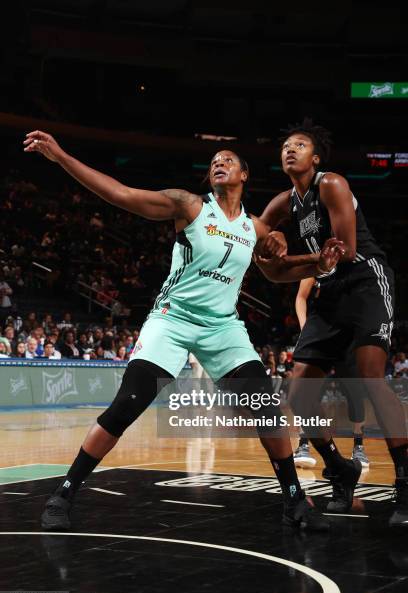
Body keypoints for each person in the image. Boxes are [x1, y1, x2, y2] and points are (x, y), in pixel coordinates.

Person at [24, 130, 341, 532]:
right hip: (172, 320)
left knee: (267, 412)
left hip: (222, 327)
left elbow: (278, 269)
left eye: (227, 159)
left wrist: (317, 261)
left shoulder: (253, 227)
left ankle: (295, 503)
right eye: (213, 163)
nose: (218, 164)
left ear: (244, 174)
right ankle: (63, 494)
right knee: (128, 404)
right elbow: (121, 194)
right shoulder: (189, 206)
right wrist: (62, 157)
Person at [259, 119, 408, 526]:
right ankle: (340, 469)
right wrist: (268, 240)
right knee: (299, 394)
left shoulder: (332, 184)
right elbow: (253, 230)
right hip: (329, 291)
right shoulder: (285, 202)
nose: (290, 149)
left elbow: (344, 251)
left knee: (370, 379)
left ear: (316, 156)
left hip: (364, 281)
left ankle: (405, 483)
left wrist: (282, 259)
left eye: (300, 144)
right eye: (286, 145)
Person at [293, 277, 369, 468]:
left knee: (355, 394)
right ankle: (303, 443)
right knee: (307, 391)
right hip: (319, 333)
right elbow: (301, 297)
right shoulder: (318, 263)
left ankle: (358, 446)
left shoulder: (356, 268)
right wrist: (305, 328)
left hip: (349, 337)